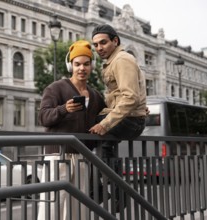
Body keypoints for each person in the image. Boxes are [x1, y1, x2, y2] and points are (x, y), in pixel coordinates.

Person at [37, 40, 106, 220]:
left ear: (92, 66)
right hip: (57, 156)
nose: (81, 68)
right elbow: (43, 117)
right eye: (77, 64)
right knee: (53, 209)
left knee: (78, 210)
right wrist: (63, 109)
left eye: (86, 64)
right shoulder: (55, 88)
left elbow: (107, 116)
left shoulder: (96, 96)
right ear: (70, 65)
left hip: (82, 157)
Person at [89, 24, 147, 210]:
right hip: (129, 118)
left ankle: (100, 191)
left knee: (85, 132)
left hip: (130, 121)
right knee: (105, 150)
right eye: (96, 45)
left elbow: (130, 97)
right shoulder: (113, 61)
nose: (99, 48)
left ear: (115, 41)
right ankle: (113, 193)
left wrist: (105, 124)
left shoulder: (122, 60)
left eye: (103, 43)